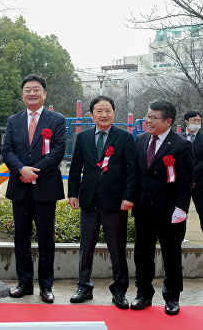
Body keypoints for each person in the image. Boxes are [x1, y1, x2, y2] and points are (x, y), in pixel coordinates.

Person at [1, 73, 66, 303]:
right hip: (20, 187)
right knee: (21, 238)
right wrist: (22, 170)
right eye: (27, 89)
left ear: (44, 94)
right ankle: (24, 283)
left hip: (45, 187)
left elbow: (58, 151)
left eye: (36, 89)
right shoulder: (13, 120)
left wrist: (34, 171)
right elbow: (6, 150)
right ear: (22, 95)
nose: (32, 93)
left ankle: (46, 286)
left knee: (46, 238)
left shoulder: (57, 120)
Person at [67, 96, 137, 309]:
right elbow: (76, 167)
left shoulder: (125, 138)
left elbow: (131, 170)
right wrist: (73, 193)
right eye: (99, 111)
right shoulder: (84, 137)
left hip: (115, 201)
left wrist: (128, 196)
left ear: (114, 113)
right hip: (88, 199)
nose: (104, 115)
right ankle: (84, 287)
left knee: (117, 248)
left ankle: (119, 291)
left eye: (108, 110)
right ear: (92, 115)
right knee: (86, 246)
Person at [132, 99, 193, 315]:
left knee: (171, 257)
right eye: (147, 116)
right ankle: (143, 294)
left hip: (170, 212)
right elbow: (138, 175)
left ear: (168, 121)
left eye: (153, 118)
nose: (148, 121)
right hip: (143, 209)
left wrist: (181, 208)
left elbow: (186, 181)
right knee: (142, 254)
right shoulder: (140, 140)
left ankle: (172, 298)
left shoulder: (181, 145)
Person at [182, 110, 203, 232]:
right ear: (186, 122)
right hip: (182, 184)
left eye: (199, 121)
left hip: (200, 183)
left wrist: (192, 176)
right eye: (194, 120)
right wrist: (186, 178)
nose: (197, 123)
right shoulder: (178, 138)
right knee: (180, 214)